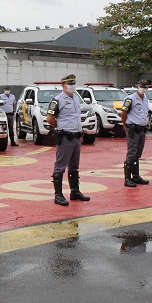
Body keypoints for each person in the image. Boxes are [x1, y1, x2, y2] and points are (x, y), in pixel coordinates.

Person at [47, 74, 91, 205]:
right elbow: (50, 119)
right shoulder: (58, 100)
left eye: (73, 84)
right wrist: (61, 128)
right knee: (60, 166)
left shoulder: (76, 98)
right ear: (63, 86)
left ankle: (74, 191)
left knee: (74, 166)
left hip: (77, 136)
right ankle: (58, 195)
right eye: (69, 84)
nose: (72, 86)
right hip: (66, 137)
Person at [120, 80, 150, 188]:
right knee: (132, 152)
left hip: (142, 129)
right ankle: (127, 178)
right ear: (137, 86)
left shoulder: (145, 99)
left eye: (145, 87)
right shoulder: (131, 98)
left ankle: (136, 175)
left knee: (138, 153)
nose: (143, 88)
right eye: (142, 86)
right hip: (133, 128)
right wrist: (125, 125)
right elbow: (123, 113)